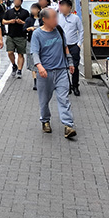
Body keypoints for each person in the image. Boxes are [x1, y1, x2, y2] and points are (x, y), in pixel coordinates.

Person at [30, 8, 77, 138]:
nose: (56, 20)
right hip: (45, 73)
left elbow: (65, 47)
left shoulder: (59, 30)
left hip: (61, 70)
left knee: (63, 98)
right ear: (44, 19)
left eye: (56, 17)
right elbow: (35, 52)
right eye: (53, 18)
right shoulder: (37, 34)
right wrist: (39, 67)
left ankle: (68, 125)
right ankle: (45, 120)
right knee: (44, 100)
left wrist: (70, 62)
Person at [58, 0, 84, 96]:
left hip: (73, 45)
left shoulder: (75, 18)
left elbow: (81, 30)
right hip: (61, 46)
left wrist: (79, 43)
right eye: (61, 6)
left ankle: (75, 86)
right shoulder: (58, 18)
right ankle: (67, 86)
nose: (62, 8)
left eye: (64, 6)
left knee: (75, 66)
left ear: (69, 7)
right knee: (64, 67)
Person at [2, 0, 30, 79]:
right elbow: (3, 21)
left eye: (18, 0)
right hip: (10, 35)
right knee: (10, 52)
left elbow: (28, 23)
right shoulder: (9, 12)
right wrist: (10, 21)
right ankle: (14, 65)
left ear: (21, 2)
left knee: (20, 54)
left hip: (21, 35)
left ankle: (19, 70)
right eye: (15, 0)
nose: (16, 2)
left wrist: (21, 22)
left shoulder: (25, 12)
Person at [25, 3, 42, 91]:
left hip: (41, 42)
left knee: (41, 59)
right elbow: (24, 29)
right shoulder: (28, 19)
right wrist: (29, 28)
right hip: (31, 41)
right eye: (32, 9)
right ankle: (35, 80)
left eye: (34, 9)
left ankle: (40, 79)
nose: (33, 11)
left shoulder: (42, 19)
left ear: (38, 10)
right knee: (32, 60)